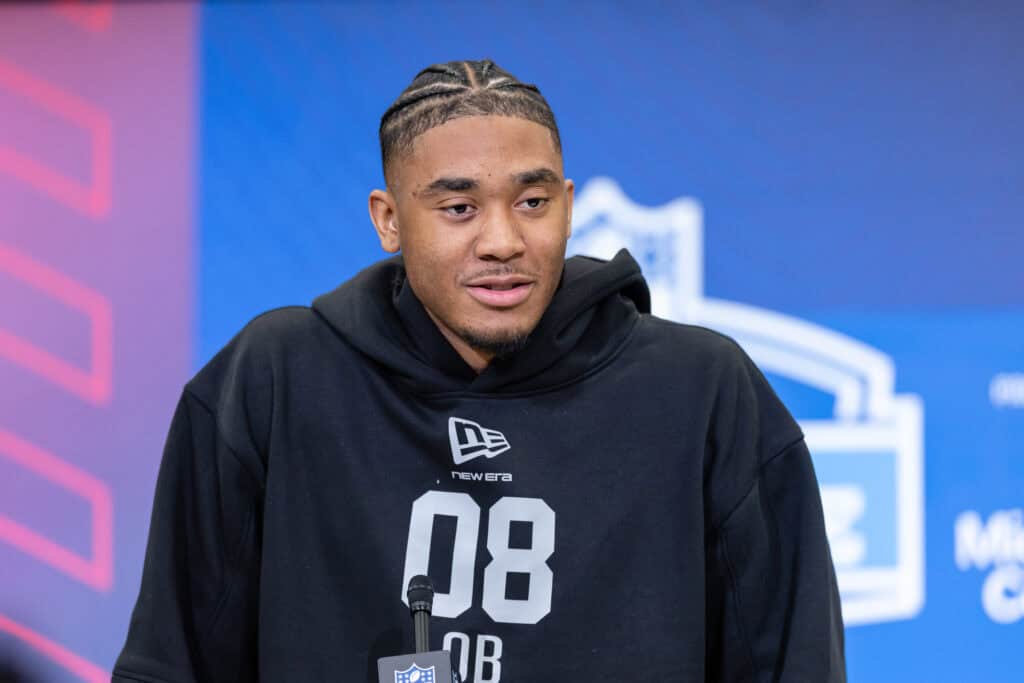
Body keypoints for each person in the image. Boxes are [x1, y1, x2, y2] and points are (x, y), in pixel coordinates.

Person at [113, 60, 845, 683]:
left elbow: (793, 664)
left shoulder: (704, 391)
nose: (502, 240)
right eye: (459, 207)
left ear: (567, 205)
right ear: (388, 218)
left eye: (531, 202)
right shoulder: (272, 379)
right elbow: (171, 663)